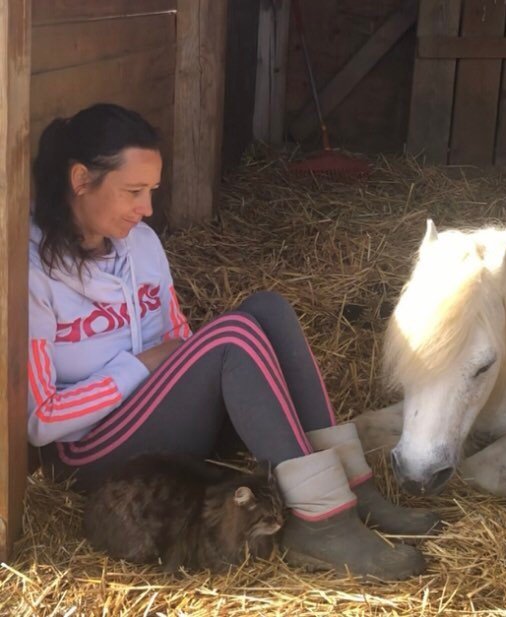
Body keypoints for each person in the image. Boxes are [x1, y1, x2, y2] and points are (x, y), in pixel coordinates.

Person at [28, 103, 439, 580]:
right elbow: (42, 419)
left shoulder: (140, 244)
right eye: (133, 192)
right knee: (233, 336)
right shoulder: (33, 272)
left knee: (268, 309)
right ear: (81, 179)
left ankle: (351, 486)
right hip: (97, 457)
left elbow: (181, 340)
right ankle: (320, 522)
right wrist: (141, 365)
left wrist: (175, 370)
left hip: (163, 423)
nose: (148, 209)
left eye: (152, 192)